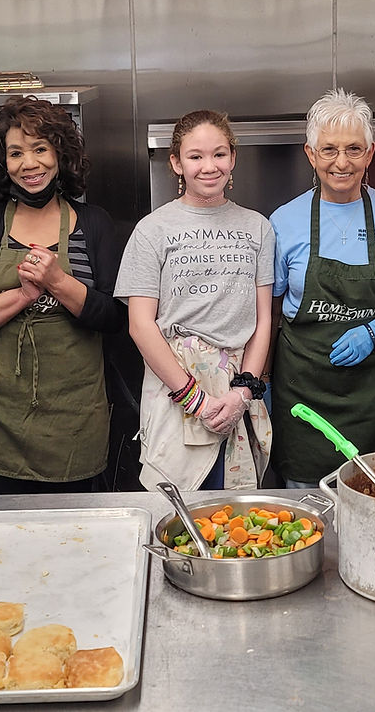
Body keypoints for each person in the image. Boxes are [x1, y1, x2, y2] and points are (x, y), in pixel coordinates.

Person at [0, 96, 126, 494]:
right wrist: (23, 295)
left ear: (60, 154)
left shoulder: (92, 223)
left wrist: (58, 282)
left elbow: (115, 317)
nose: (30, 164)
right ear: (2, 163)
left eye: (40, 149)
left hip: (73, 420)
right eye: (16, 153)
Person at [269, 89, 375, 487]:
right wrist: (265, 383)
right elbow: (267, 312)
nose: (342, 162)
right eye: (329, 150)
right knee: (308, 510)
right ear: (310, 154)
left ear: (370, 153)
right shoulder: (283, 222)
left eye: (354, 149)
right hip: (306, 390)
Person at [119, 109, 275, 491]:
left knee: (236, 521)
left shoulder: (257, 227)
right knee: (178, 513)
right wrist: (194, 399)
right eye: (195, 156)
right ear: (176, 163)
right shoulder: (152, 230)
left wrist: (242, 392)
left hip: (239, 390)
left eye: (219, 154)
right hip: (175, 390)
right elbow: (140, 326)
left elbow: (263, 319)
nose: (209, 166)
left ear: (233, 158)